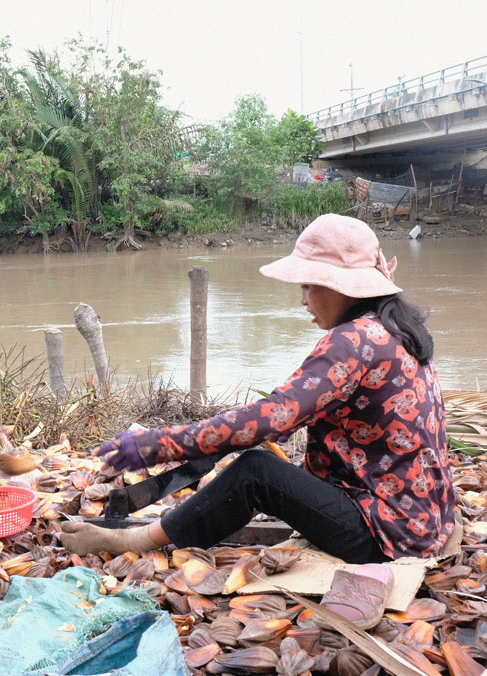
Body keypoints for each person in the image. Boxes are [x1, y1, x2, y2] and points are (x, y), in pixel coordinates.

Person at [61, 214, 457, 573]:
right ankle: (156, 510)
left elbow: (273, 417)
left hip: (387, 536)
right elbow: (278, 418)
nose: (303, 300)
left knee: (256, 472)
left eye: (308, 286)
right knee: (255, 449)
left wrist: (158, 443)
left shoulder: (353, 341)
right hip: (425, 521)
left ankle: (131, 540)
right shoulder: (395, 328)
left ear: (343, 287)